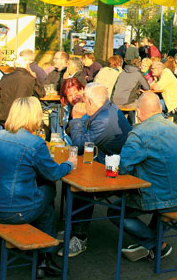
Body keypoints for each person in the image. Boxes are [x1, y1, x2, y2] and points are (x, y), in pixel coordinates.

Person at [0, 97, 75, 277]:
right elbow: (53, 173)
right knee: (48, 190)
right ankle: (45, 258)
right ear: (35, 116)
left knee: (43, 199)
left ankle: (42, 254)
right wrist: (69, 164)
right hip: (13, 211)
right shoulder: (35, 143)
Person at [112, 92, 177, 262]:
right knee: (158, 190)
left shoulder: (139, 134)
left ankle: (155, 245)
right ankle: (149, 245)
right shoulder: (174, 127)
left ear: (138, 112)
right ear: (160, 109)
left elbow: (122, 168)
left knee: (114, 211)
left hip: (167, 199)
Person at [63, 83, 132, 255]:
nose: (83, 106)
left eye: (85, 102)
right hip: (105, 162)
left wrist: (77, 119)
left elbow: (80, 145)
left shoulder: (104, 119)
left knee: (79, 186)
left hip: (115, 171)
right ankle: (73, 228)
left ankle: (80, 237)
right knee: (70, 178)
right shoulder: (106, 110)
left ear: (92, 102)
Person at [0, 56, 45, 124]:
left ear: (15, 66)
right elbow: (41, 93)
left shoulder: (5, 78)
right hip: (23, 117)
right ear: (27, 66)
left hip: (4, 116)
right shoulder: (31, 79)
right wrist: (34, 77)